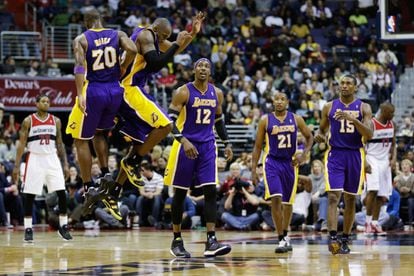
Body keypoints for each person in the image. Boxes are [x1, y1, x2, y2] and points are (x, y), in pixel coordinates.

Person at [86, 14, 205, 219]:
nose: (163, 41)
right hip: (129, 89)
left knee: (138, 143)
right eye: (163, 36)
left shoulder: (153, 37)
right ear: (156, 31)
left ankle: (114, 190)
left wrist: (192, 34)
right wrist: (176, 42)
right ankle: (134, 162)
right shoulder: (146, 36)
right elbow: (157, 62)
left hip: (129, 89)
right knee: (166, 125)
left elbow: (173, 48)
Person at [65, 9, 137, 218]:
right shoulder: (118, 34)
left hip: (94, 89)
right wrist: (123, 65)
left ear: (86, 22)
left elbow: (79, 66)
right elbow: (132, 49)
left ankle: (88, 186)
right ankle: (105, 173)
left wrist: (80, 94)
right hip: (115, 90)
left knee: (80, 139)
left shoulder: (81, 39)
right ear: (101, 19)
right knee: (100, 133)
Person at [165, 58, 233, 258]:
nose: (203, 69)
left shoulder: (217, 93)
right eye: (200, 66)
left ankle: (211, 240)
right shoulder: (183, 91)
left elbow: (219, 121)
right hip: (185, 146)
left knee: (211, 191)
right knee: (179, 194)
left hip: (208, 146)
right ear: (194, 70)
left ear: (210, 71)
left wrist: (227, 142)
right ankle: (177, 239)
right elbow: (169, 121)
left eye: (206, 67)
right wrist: (184, 141)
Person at [314, 74, 373, 255]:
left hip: (355, 154)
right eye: (342, 83)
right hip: (335, 154)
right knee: (333, 196)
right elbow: (321, 128)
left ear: (355, 87)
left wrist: (352, 119)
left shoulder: (364, 107)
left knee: (350, 199)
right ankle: (333, 238)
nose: (344, 86)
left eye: (348, 83)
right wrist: (319, 135)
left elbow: (369, 134)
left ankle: (346, 238)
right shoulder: (329, 107)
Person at [251, 92, 313, 253]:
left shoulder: (296, 119)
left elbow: (309, 137)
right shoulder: (265, 120)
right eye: (276, 99)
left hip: (290, 163)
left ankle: (286, 235)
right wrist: (253, 169)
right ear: (272, 102)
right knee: (276, 199)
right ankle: (280, 238)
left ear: (287, 102)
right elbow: (258, 146)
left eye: (282, 99)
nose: (279, 102)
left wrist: (303, 155)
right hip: (272, 162)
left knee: (288, 203)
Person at [13, 94, 72, 242]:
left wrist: (65, 163)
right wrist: (16, 165)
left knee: (62, 192)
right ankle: (28, 228)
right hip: (34, 158)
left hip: (52, 158)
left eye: (48, 101)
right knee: (30, 194)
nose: (46, 104)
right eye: (43, 101)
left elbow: (60, 143)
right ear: (36, 104)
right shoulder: (28, 121)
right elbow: (21, 144)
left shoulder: (56, 121)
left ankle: (63, 226)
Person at [364, 102, 396, 235]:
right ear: (383, 111)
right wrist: (364, 162)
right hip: (372, 159)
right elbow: (362, 144)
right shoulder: (371, 124)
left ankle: (375, 223)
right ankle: (367, 222)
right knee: (373, 190)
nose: (393, 115)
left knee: (381, 195)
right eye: (391, 112)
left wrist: (393, 158)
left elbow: (393, 144)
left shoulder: (392, 125)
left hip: (384, 162)